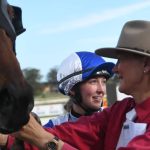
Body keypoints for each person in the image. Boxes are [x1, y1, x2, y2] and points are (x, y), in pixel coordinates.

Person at [2, 20, 150, 150]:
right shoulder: (121, 110)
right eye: (93, 81)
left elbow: (46, 138)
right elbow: (74, 133)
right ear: (72, 89)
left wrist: (47, 142)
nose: (115, 69)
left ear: (146, 64)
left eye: (121, 60)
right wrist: (9, 137)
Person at [44, 51, 115, 128]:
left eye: (104, 82)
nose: (101, 90)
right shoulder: (53, 127)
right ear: (72, 89)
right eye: (93, 82)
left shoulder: (115, 121)